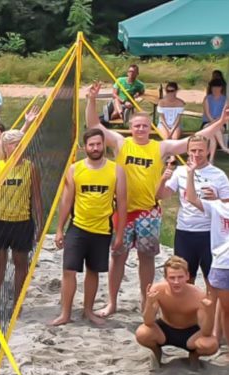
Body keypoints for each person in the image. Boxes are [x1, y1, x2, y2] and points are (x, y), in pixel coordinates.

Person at [86, 81, 229, 317]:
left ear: (149, 127)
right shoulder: (121, 143)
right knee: (117, 257)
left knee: (146, 259)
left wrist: (220, 123)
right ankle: (112, 302)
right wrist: (91, 100)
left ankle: (145, 301)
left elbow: (192, 141)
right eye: (137, 126)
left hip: (149, 212)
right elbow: (94, 125)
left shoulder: (160, 147)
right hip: (122, 211)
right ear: (131, 128)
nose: (141, 129)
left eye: (144, 126)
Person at [51, 128, 127, 326]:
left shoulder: (116, 170)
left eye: (98, 144)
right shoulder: (75, 169)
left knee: (93, 271)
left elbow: (122, 204)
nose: (95, 148)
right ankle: (65, 313)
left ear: (104, 145)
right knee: (69, 270)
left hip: (102, 229)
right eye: (91, 145)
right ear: (85, 147)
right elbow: (66, 201)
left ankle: (88, 310)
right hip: (78, 227)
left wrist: (119, 235)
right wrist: (59, 228)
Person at [0, 130, 43, 317]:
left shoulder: (30, 167)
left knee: (21, 265)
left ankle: (17, 303)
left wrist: (40, 224)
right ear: (5, 147)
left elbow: (37, 198)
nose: (16, 147)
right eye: (12, 144)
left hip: (22, 222)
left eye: (19, 143)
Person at [157, 135, 229, 283]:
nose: (196, 154)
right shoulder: (180, 171)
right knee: (185, 278)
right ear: (188, 151)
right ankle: (190, 306)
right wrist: (163, 179)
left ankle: (209, 306)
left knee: (212, 280)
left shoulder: (218, 175)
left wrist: (216, 199)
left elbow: (227, 205)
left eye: (200, 150)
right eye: (193, 150)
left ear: (208, 151)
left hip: (209, 232)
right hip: (185, 231)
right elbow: (161, 195)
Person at [135, 256, 218, 368]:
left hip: (190, 333)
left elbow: (206, 332)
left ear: (187, 276)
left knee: (210, 344)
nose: (176, 282)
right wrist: (149, 304)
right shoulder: (157, 290)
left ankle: (194, 355)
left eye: (180, 277)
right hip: (165, 329)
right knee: (142, 333)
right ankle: (156, 352)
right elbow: (148, 322)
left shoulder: (198, 295)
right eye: (172, 277)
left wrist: (209, 312)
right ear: (166, 278)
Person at [185, 160, 229, 350]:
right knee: (227, 309)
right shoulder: (218, 206)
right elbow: (192, 199)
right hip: (222, 263)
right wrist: (190, 174)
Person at [202, 78, 229, 161]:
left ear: (221, 88)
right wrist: (213, 122)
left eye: (217, 87)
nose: (215, 89)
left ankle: (211, 159)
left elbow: (224, 114)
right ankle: (223, 147)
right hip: (207, 122)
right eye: (213, 87)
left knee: (213, 131)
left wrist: (218, 121)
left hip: (220, 122)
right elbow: (207, 113)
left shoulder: (225, 100)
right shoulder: (207, 98)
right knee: (213, 130)